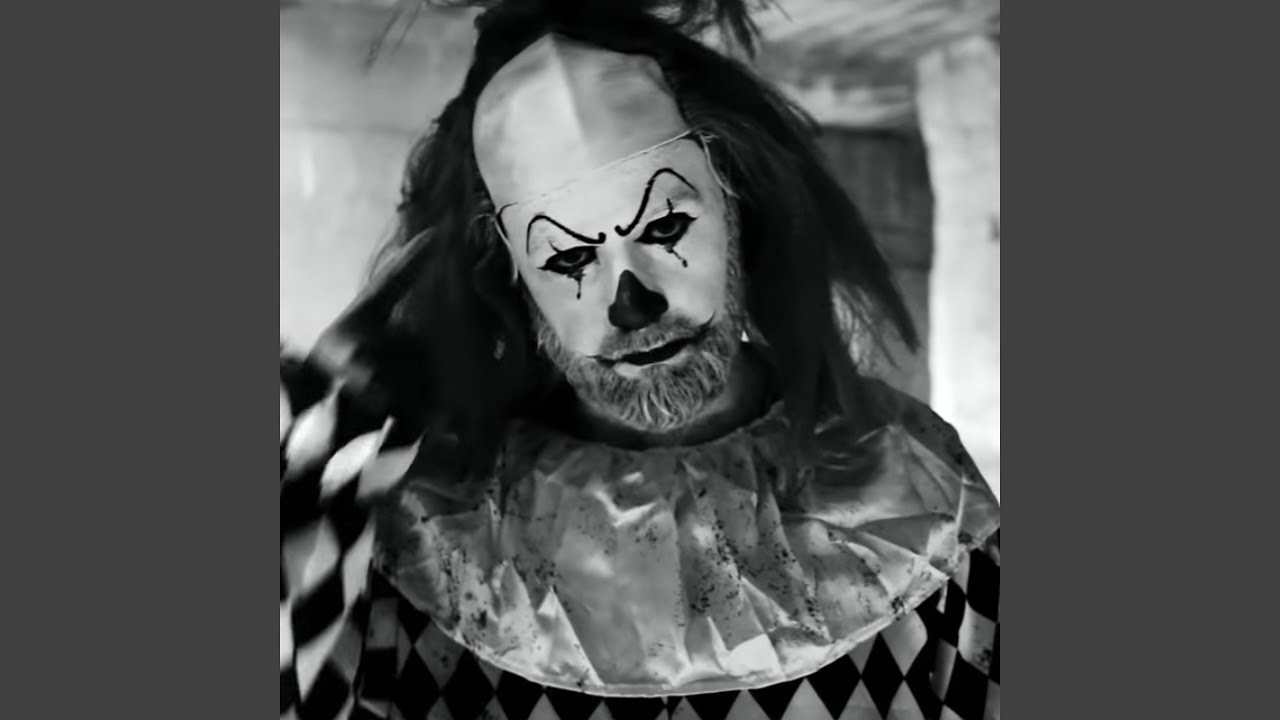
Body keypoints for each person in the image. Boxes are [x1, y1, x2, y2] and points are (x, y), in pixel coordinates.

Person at [279, 2, 1001, 719]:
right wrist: (324, 443)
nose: (632, 303)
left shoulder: (912, 488)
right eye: (568, 257)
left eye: (665, 225)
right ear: (512, 275)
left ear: (736, 205)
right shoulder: (434, 517)